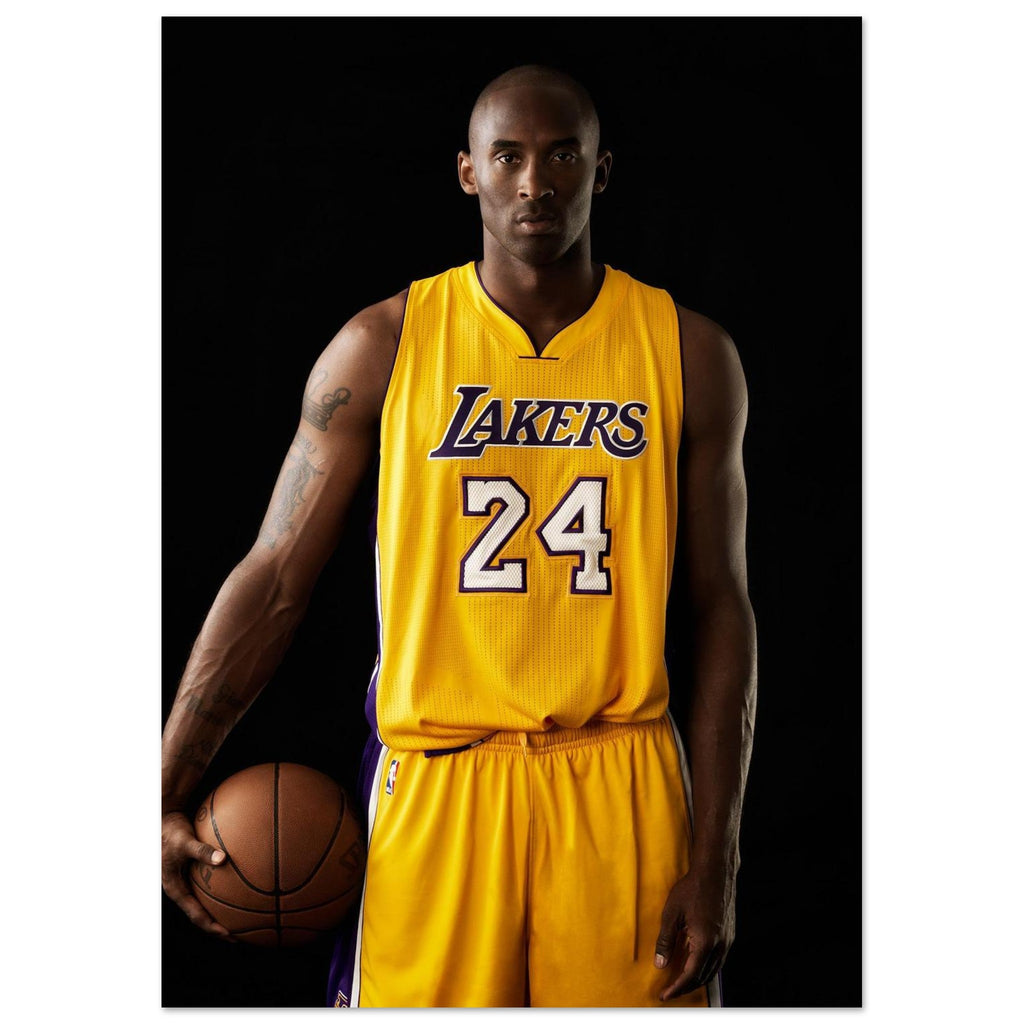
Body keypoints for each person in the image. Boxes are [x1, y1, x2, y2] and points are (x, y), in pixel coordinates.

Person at [161, 63, 757, 1008]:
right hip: (440, 782)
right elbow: (274, 578)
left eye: (563, 155)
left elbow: (722, 607)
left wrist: (718, 853)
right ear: (468, 172)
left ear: (602, 171)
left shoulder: (689, 351)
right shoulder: (384, 345)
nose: (536, 182)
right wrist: (164, 781)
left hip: (623, 779)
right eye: (508, 156)